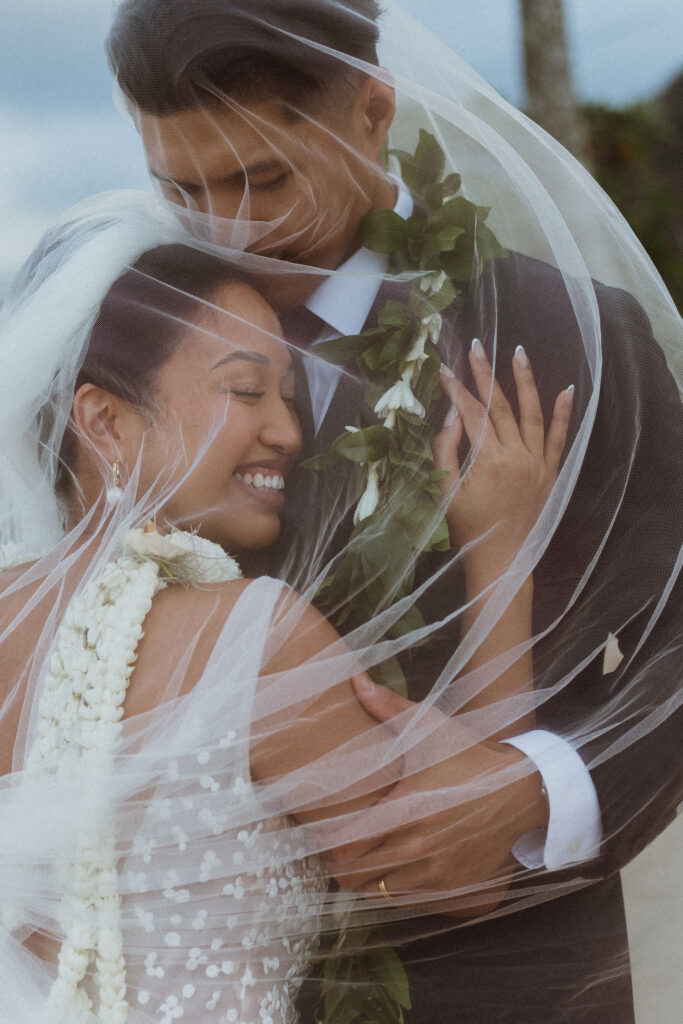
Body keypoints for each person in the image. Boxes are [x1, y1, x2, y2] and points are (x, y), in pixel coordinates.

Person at [104, 2, 683, 1021]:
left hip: (514, 978)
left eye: (263, 178)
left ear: (372, 111)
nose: (226, 230)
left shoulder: (562, 333)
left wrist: (534, 787)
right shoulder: (117, 349)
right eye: (182, 188)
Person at [0, 192, 573, 1023]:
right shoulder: (248, 636)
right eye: (245, 391)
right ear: (102, 421)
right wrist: (503, 547)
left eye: (291, 398)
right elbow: (466, 865)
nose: (287, 433)